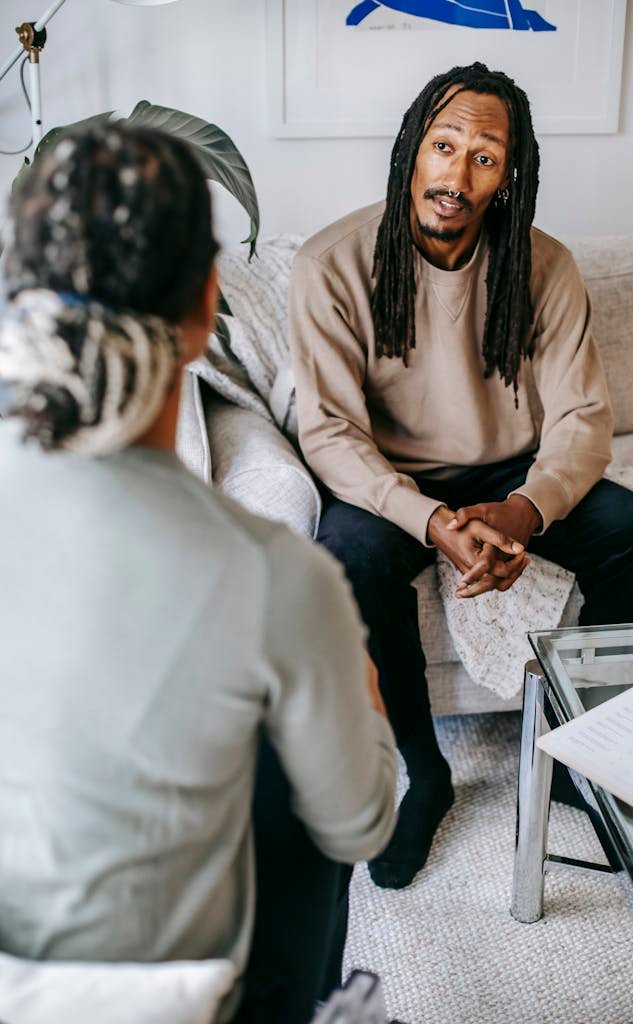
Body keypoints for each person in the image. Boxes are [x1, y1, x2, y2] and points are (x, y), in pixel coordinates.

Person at [0, 124, 397, 1024]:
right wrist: (363, 692)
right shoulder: (274, 577)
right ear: (204, 304)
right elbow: (362, 825)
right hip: (158, 1003)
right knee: (293, 777)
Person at [288, 62, 633, 892]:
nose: (456, 175)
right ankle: (422, 774)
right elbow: (326, 431)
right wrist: (431, 520)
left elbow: (581, 421)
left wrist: (518, 514)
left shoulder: (544, 266)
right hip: (390, 475)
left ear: (510, 175)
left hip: (510, 469)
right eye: (444, 145)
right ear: (410, 152)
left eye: (484, 157)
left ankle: (582, 756)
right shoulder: (331, 264)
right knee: (348, 562)